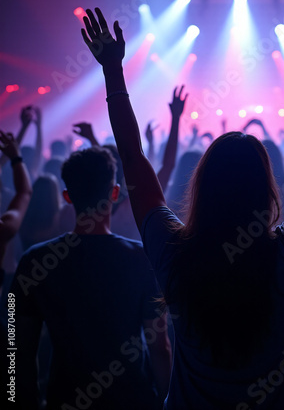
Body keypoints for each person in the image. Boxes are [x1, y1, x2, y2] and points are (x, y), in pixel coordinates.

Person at [79, 0, 284, 409]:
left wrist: (112, 70)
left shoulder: (172, 250)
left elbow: (130, 157)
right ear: (265, 191)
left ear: (203, 186)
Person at [10, 147, 171, 409]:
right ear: (115, 193)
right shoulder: (142, 259)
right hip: (131, 400)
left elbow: (17, 345)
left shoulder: (35, 261)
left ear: (67, 197)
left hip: (65, 398)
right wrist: (167, 401)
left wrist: (17, 400)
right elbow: (160, 347)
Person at [0, 131, 32, 290]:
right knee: (10, 313)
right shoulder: (2, 229)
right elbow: (24, 192)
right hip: (8, 274)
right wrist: (16, 157)